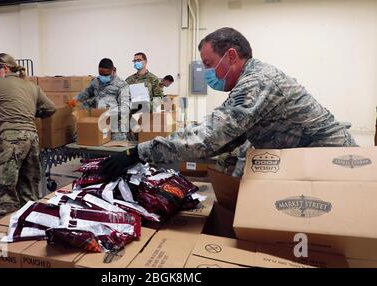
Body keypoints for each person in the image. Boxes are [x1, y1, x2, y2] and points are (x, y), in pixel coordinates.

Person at [100, 27, 357, 178]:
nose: (208, 73)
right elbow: (228, 137)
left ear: (231, 56)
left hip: (335, 167)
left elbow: (209, 137)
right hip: (314, 163)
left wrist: (139, 152)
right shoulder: (250, 80)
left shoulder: (257, 82)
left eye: (209, 64)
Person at [0, 53, 56, 218]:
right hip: (32, 138)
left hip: (11, 139)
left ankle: (8, 227)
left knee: (6, 187)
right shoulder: (31, 86)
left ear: (4, 68)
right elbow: (51, 108)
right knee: (29, 185)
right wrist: (31, 113)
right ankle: (31, 224)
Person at [70, 58, 130, 141]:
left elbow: (125, 108)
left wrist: (109, 114)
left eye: (106, 74)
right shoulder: (96, 81)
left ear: (113, 70)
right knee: (80, 139)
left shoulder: (122, 85)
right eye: (101, 74)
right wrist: (75, 99)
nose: (103, 77)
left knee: (116, 144)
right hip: (96, 119)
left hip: (113, 121)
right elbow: (87, 92)